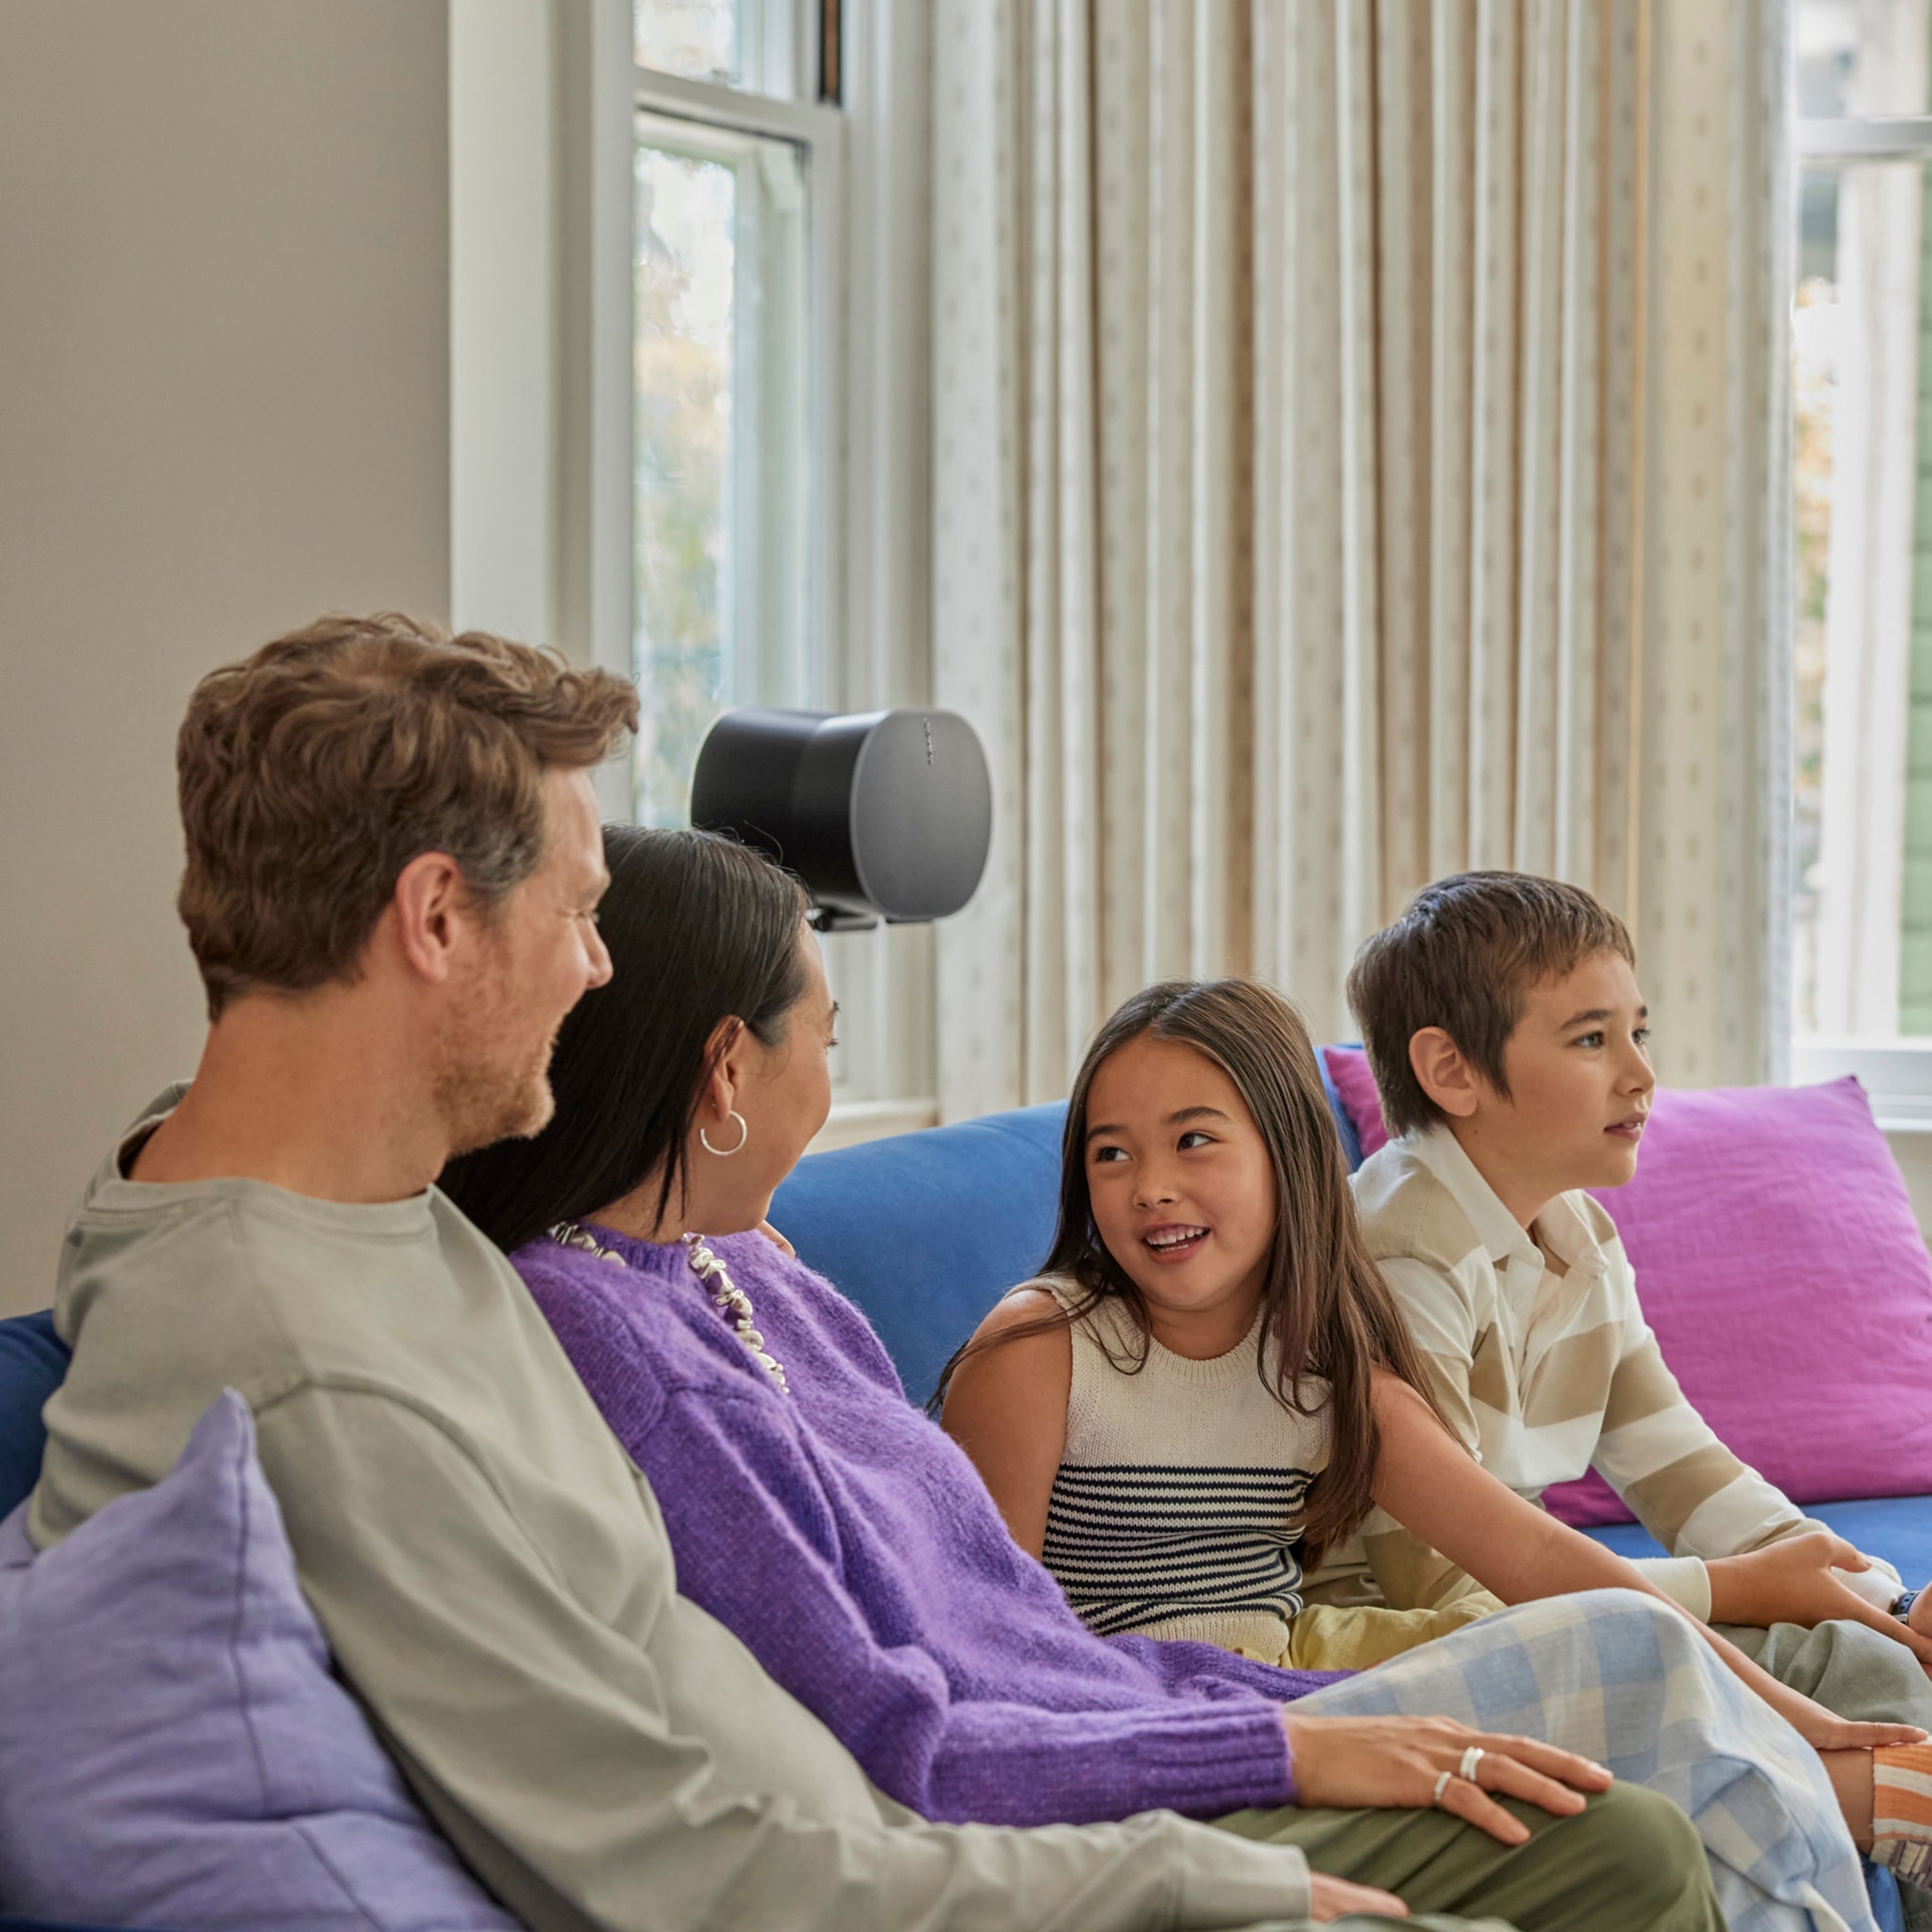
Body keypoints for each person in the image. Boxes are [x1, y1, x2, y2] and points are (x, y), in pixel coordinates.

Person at [31, 612, 1454, 1932]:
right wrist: (1192, 1873)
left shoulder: (285, 1196)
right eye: (578, 913)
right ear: (439, 919)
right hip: (921, 1874)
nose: (599, 976)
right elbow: (693, 1864)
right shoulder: (326, 1381)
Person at [443, 820, 1880, 1932]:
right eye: (827, 1038)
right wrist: (1280, 1744)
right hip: (1074, 1781)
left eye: (1198, 1142)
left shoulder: (749, 1273)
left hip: (1149, 1711)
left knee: (1678, 1753)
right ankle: (1871, 1798)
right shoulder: (644, 1346)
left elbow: (1015, 1639)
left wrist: (1261, 1722)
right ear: (724, 1074)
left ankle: (1869, 1787)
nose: (831, 1076)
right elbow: (913, 1721)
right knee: (1634, 1792)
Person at [1337, 868, 1932, 1897]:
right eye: (1590, 1039)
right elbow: (1435, 1586)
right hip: (1410, 1642)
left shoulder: (1579, 1238)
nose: (1642, 1075)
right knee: (1864, 1672)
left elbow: (1685, 1471)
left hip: (1538, 1608)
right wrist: (1739, 1590)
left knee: (1877, 1649)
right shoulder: (1401, 1254)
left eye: (1639, 1033)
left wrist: (1887, 1598)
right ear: (1451, 1071)